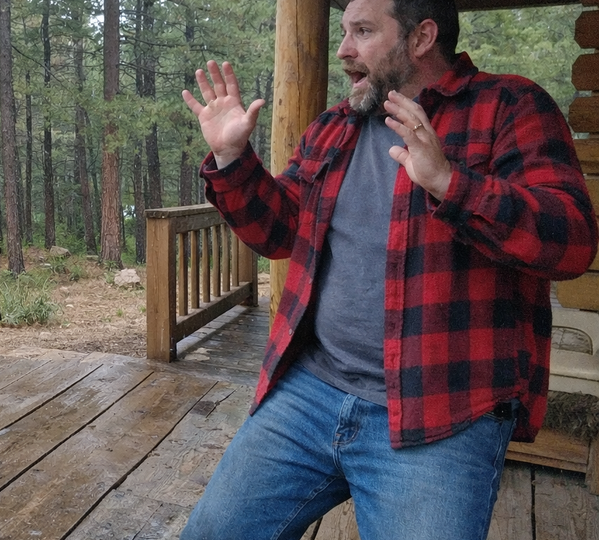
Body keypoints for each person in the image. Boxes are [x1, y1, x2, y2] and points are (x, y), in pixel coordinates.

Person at [179, 0, 599, 538]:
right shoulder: (337, 126)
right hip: (309, 390)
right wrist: (234, 159)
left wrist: (451, 184)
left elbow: (573, 241)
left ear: (421, 37)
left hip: (443, 410)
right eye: (343, 31)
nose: (343, 49)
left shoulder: (509, 106)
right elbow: (281, 233)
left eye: (362, 32)